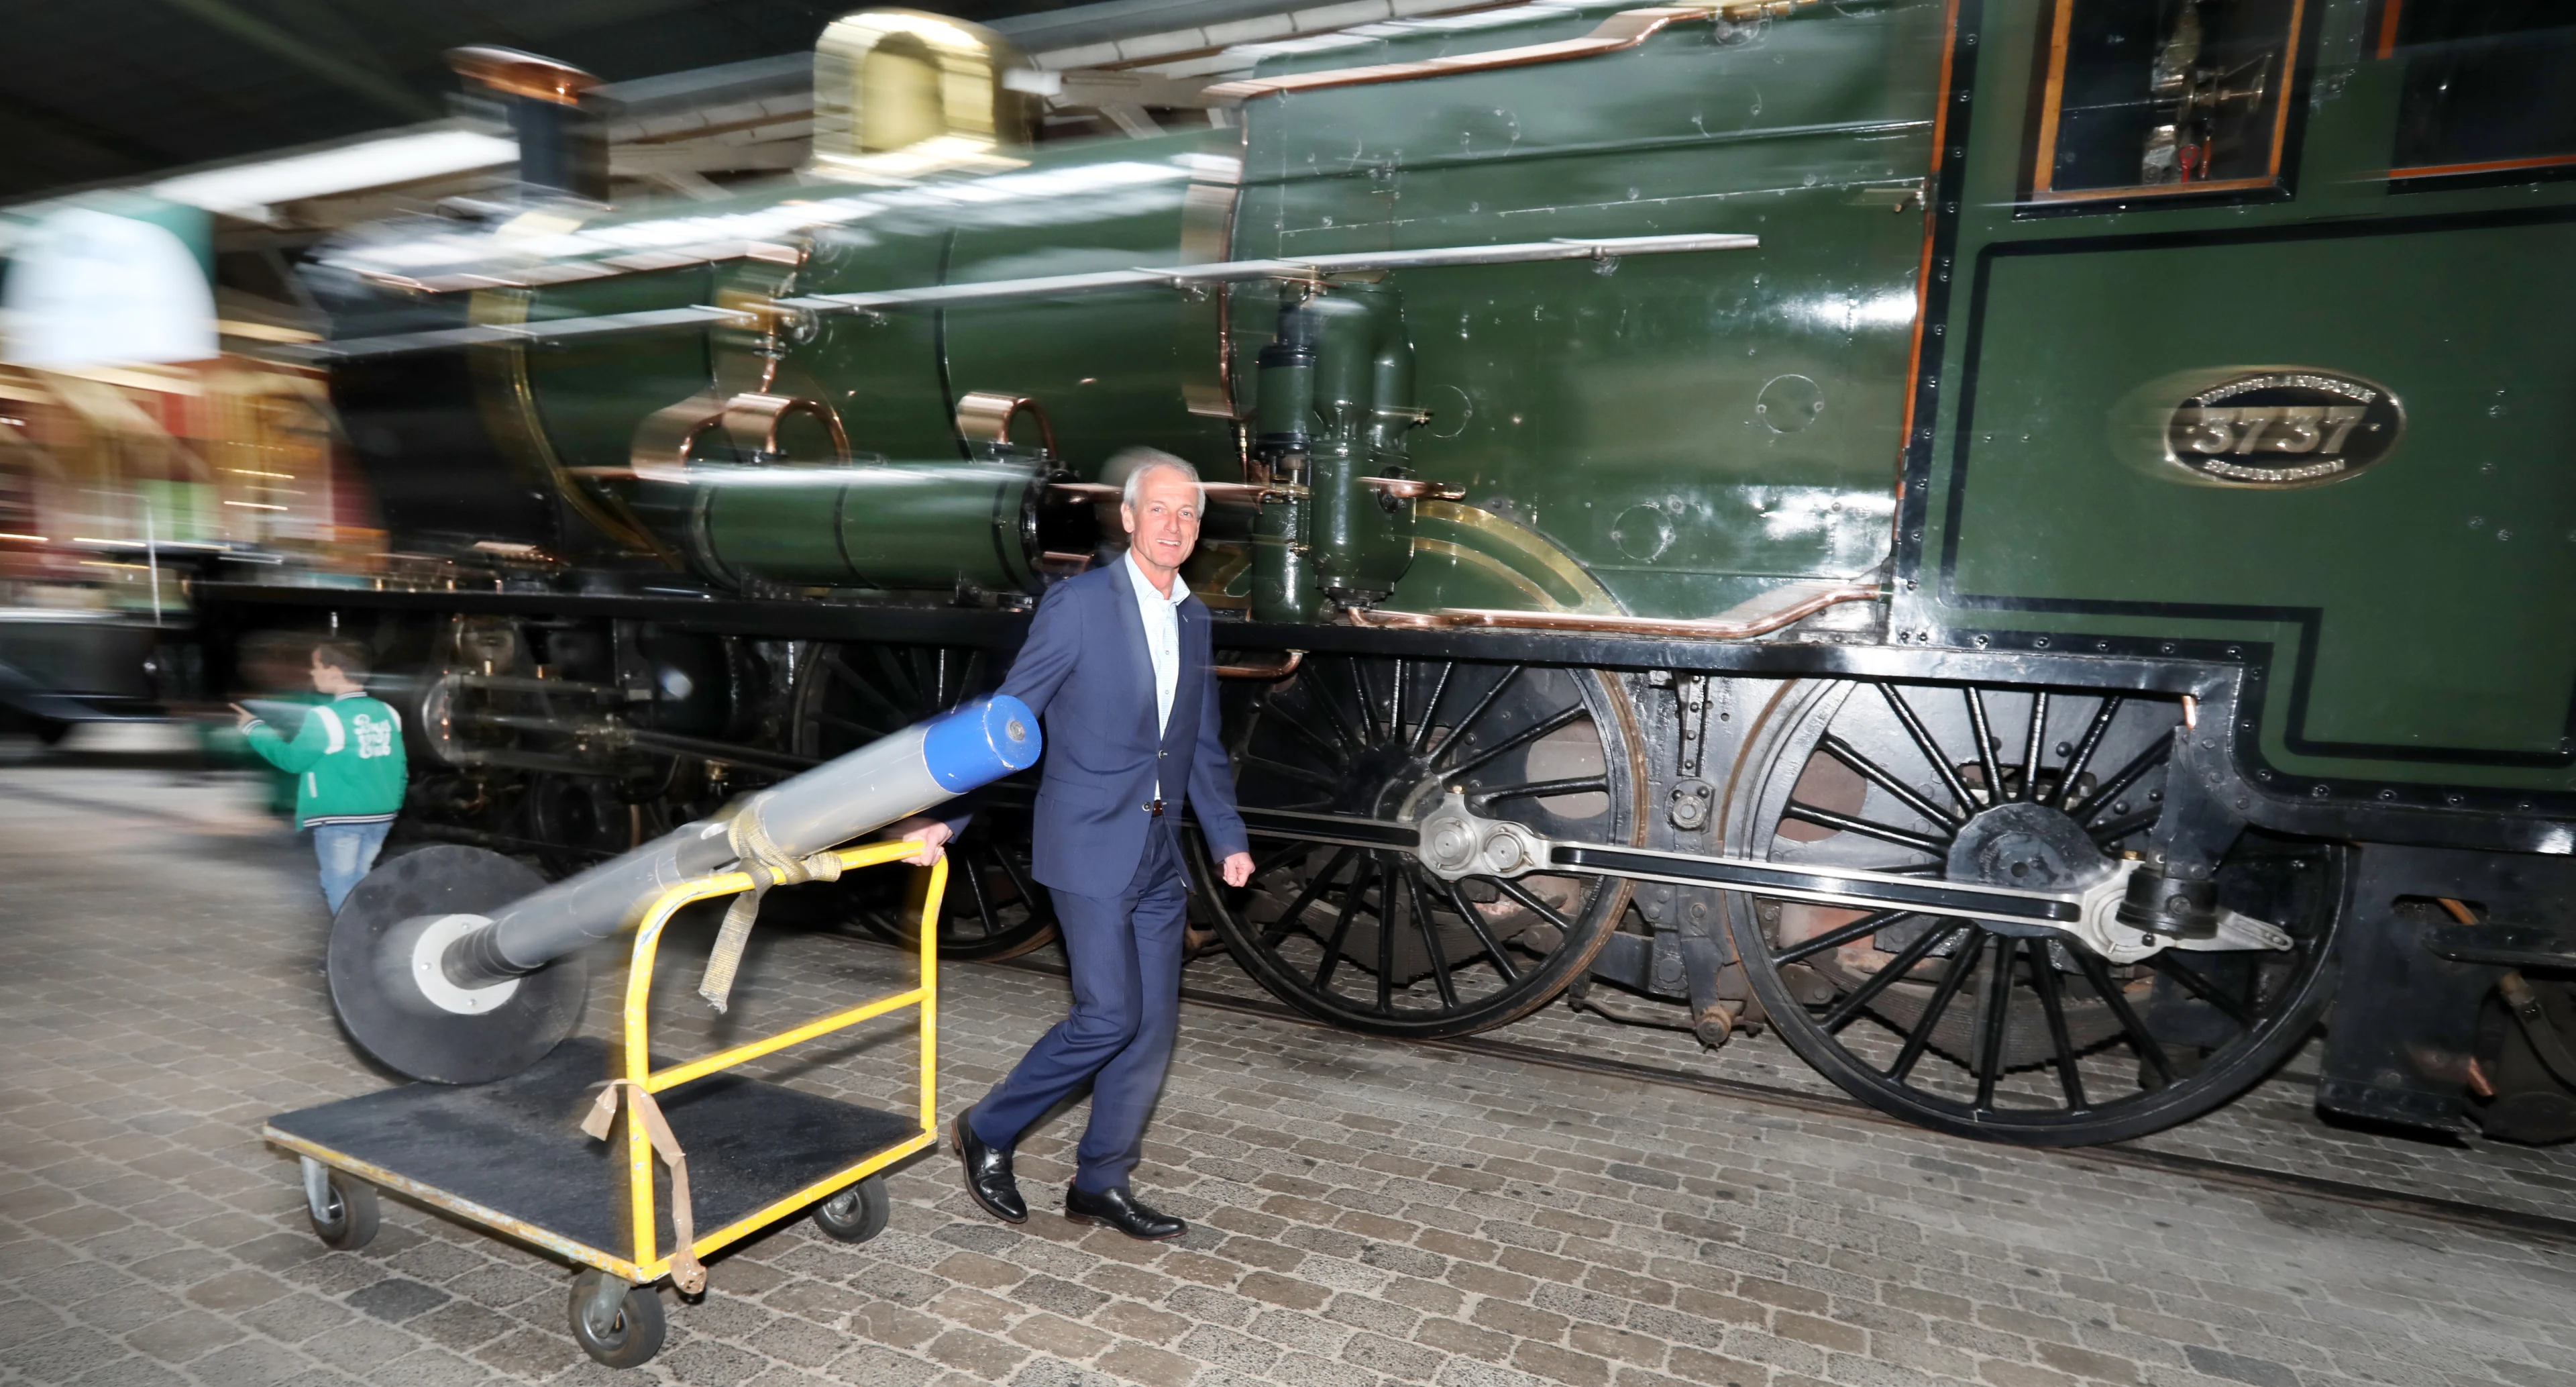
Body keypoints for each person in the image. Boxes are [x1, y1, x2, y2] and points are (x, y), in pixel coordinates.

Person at [894, 454, 1254, 1241]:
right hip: (1089, 842)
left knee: (1152, 1026)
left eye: (1188, 514)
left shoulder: (1194, 618)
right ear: (1127, 519)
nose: (1173, 526)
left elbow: (1198, 742)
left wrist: (1227, 836)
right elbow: (1013, 717)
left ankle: (1101, 1181)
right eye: (1158, 510)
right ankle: (988, 1126)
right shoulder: (1080, 606)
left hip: (1161, 851)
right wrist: (944, 817)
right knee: (1107, 1016)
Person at [233, 640, 407, 915]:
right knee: (359, 880)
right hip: (381, 816)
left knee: (337, 883)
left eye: (316, 667)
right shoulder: (388, 713)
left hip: (339, 817)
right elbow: (401, 768)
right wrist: (393, 804)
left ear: (335, 671)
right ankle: (367, 934)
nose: (312, 674)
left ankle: (353, 945)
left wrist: (255, 729)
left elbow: (291, 761)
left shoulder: (325, 717)